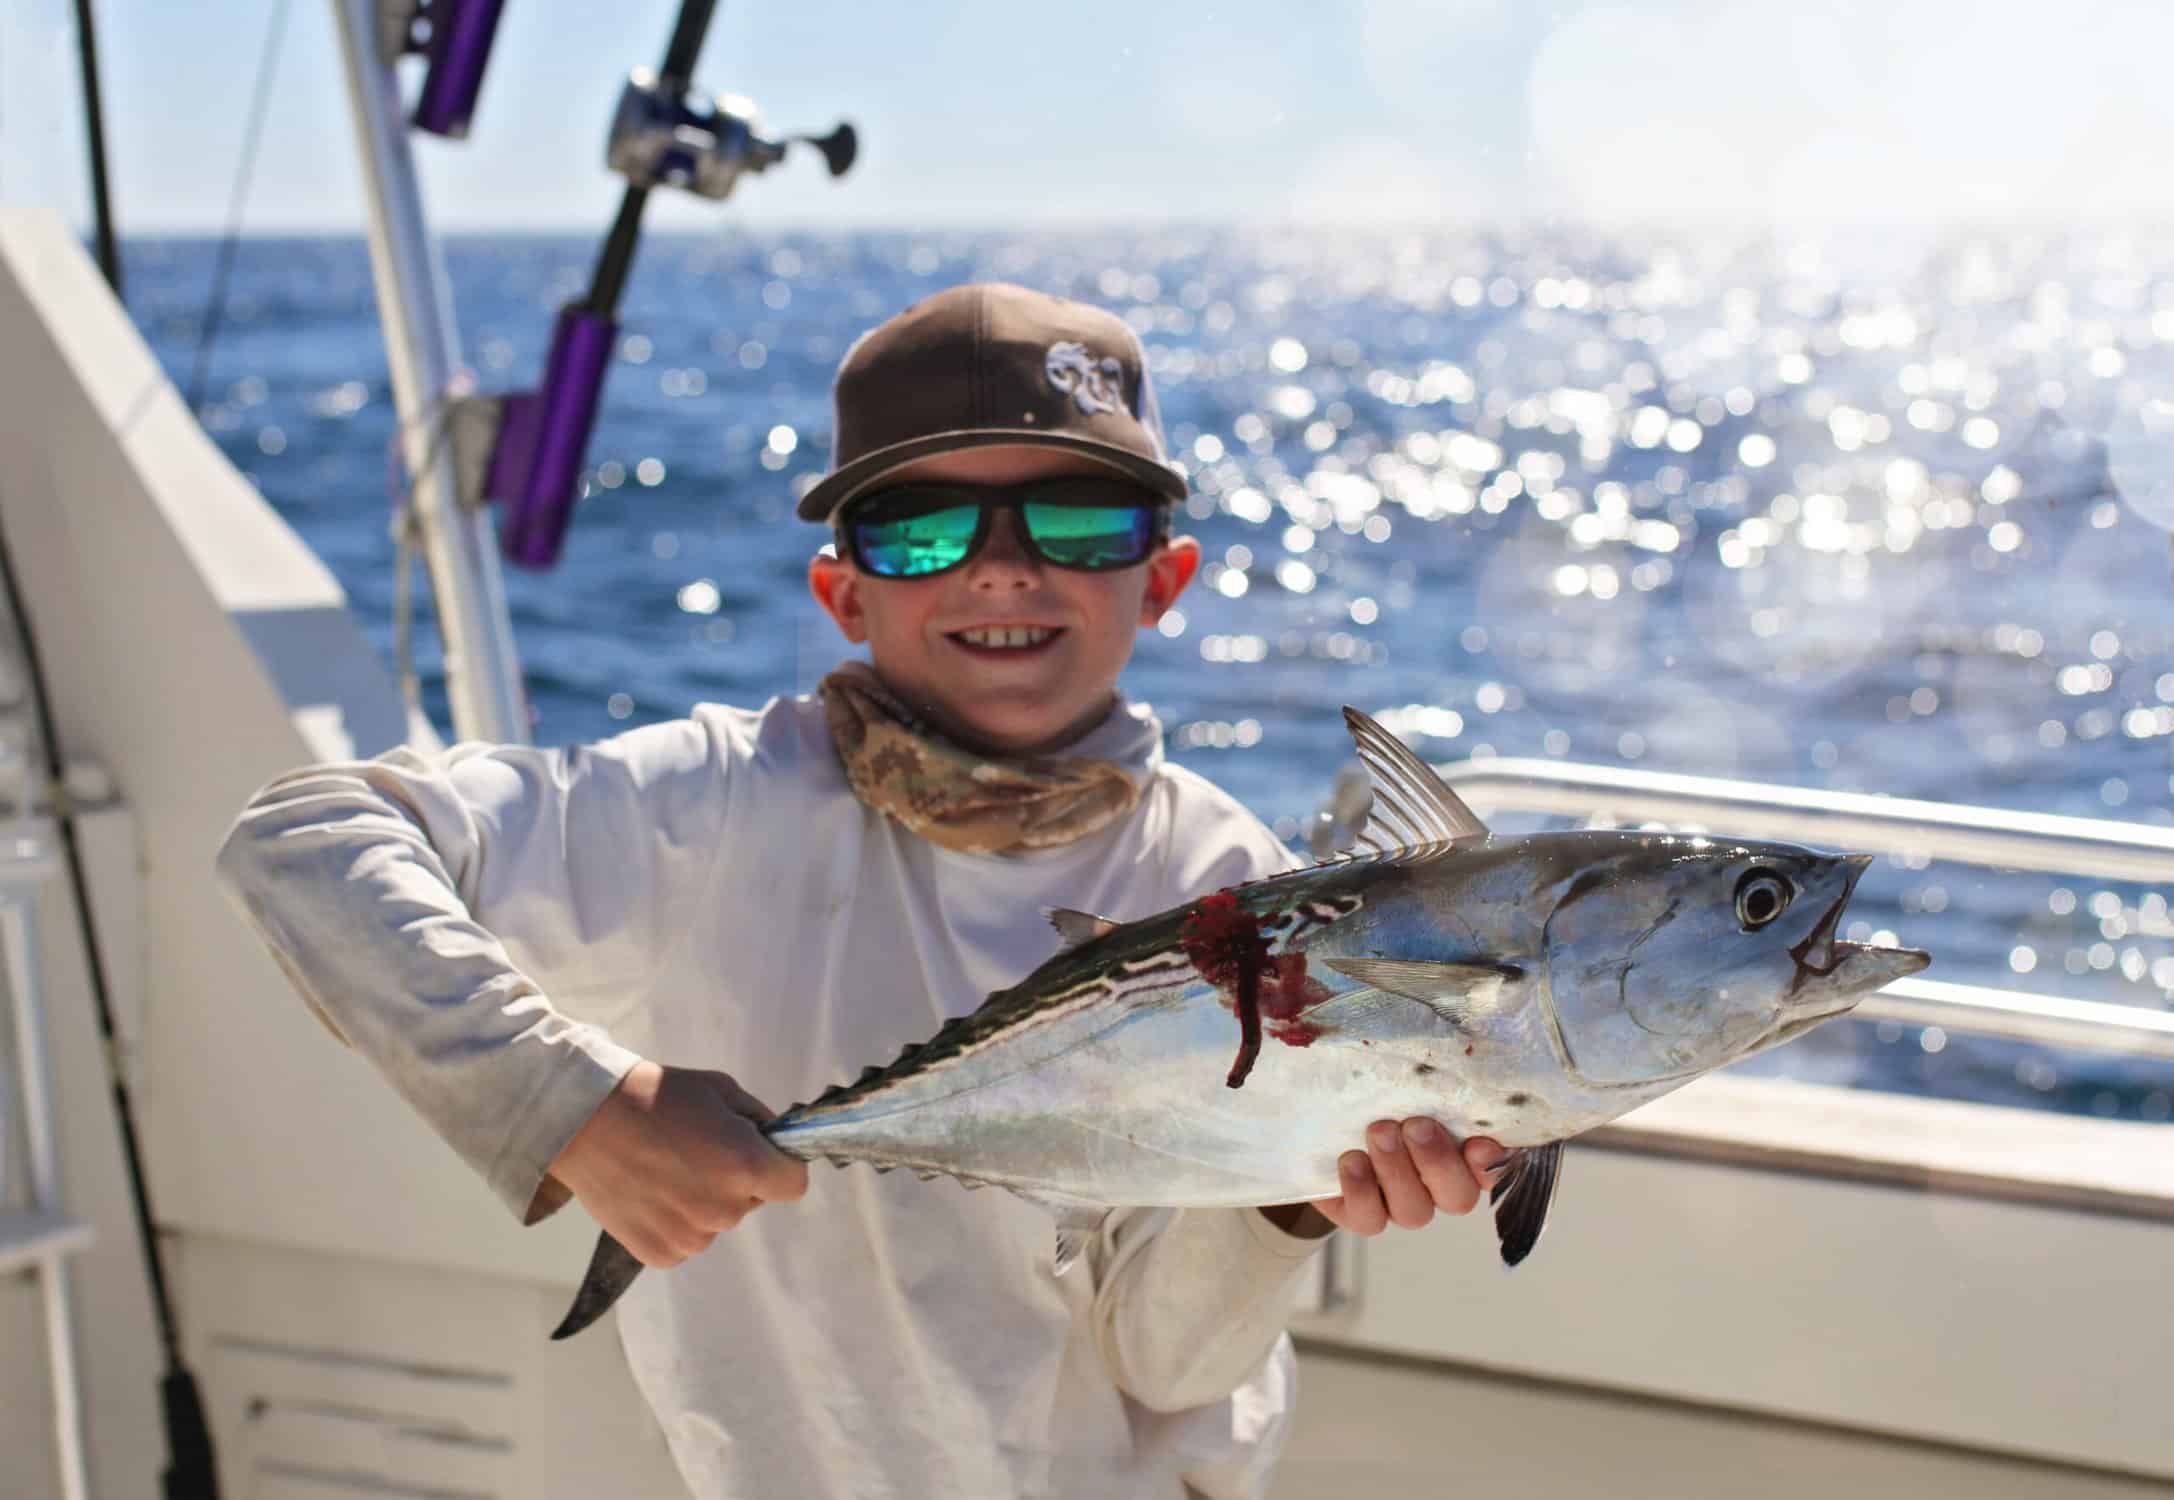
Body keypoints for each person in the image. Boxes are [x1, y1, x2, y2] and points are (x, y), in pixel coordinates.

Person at [217, 282, 1506, 1499]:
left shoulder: (1228, 892)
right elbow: (308, 839)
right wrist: (574, 1109)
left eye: (1076, 518)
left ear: (1162, 578)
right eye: (924, 528)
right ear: (842, 594)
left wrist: (1287, 1201)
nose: (1002, 569)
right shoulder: (714, 802)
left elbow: (1165, 1368)